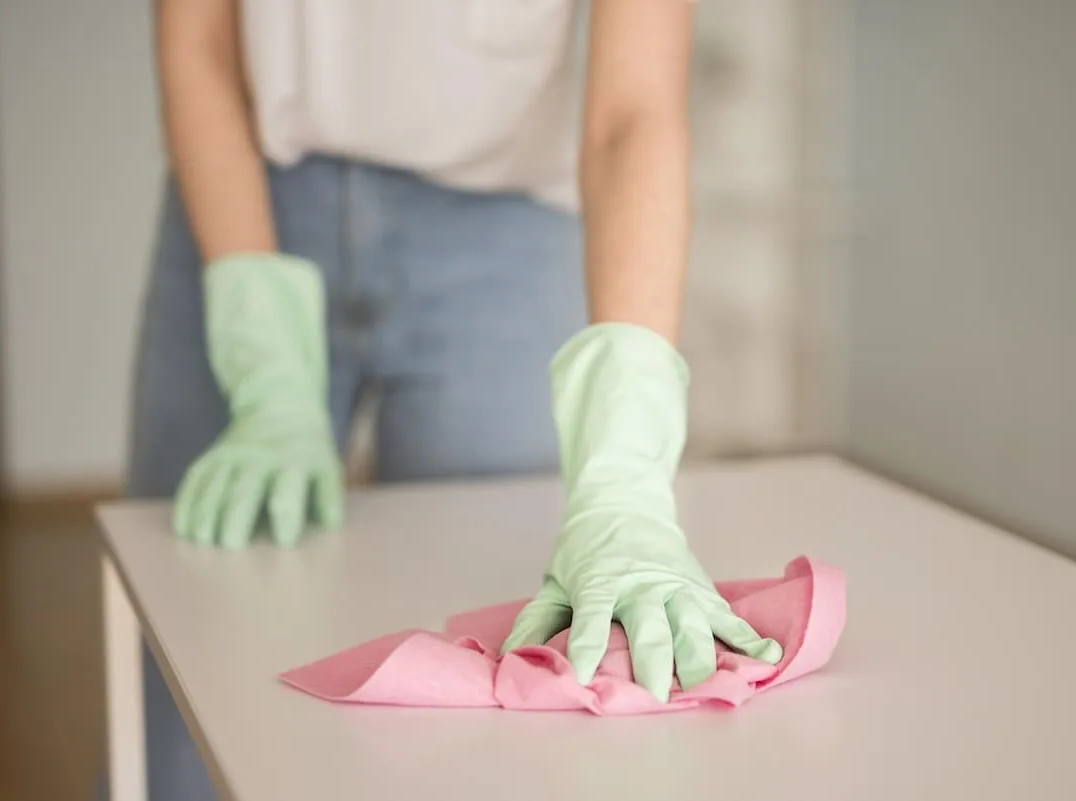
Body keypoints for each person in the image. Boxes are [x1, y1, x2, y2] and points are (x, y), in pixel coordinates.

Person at [116, 0, 782, 797]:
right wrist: (261, 357)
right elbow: (198, 45)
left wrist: (628, 482)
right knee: (190, 629)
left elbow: (633, 109)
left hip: (504, 225)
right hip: (245, 187)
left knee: (507, 672)